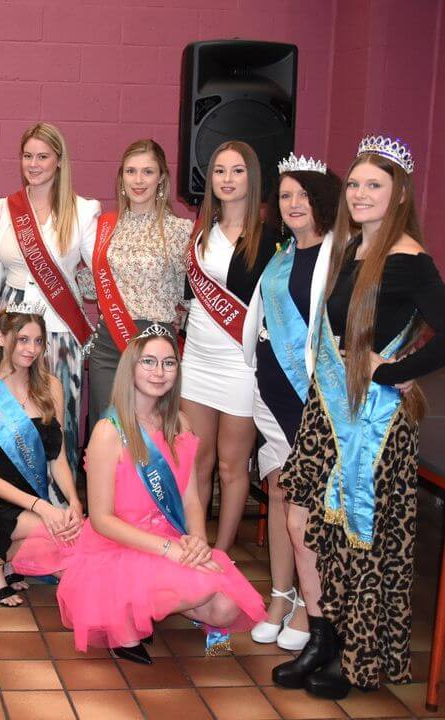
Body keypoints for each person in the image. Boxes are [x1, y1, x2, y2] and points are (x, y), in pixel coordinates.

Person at [274, 136, 445, 698]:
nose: (361, 193)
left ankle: (355, 657)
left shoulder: (410, 259)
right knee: (302, 523)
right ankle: (323, 636)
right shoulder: (351, 251)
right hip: (327, 413)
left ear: (398, 195)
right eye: (354, 184)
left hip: (372, 422)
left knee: (353, 537)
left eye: (375, 185)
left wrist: (391, 372)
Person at [58, 325, 264, 664]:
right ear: (131, 368)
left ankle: (167, 605)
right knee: (127, 626)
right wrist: (168, 550)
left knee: (226, 608)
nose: (159, 372)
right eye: (149, 362)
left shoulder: (180, 424)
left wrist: (197, 540)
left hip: (168, 535)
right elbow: (102, 519)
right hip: (120, 545)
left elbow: (190, 499)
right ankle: (132, 611)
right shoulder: (108, 432)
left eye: (169, 363)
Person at [242, 154, 340, 651]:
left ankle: (309, 602)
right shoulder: (281, 255)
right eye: (285, 196)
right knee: (279, 497)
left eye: (303, 195)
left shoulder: (340, 256)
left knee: (312, 509)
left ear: (322, 201)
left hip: (313, 403)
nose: (294, 204)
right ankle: (280, 596)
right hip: (272, 396)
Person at [182, 141, 278, 551]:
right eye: (219, 171)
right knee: (197, 462)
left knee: (230, 465)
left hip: (241, 363)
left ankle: (221, 552)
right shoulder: (201, 233)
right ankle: (197, 542)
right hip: (198, 359)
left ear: (251, 178)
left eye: (237, 171)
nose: (227, 179)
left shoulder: (271, 239)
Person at [0, 123, 100, 472]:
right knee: (11, 413)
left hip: (59, 327)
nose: (33, 164)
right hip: (11, 324)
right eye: (27, 156)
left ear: (59, 161)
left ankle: (61, 502)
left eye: (43, 156)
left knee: (58, 416)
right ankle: (13, 499)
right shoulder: (4, 209)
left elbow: (99, 272)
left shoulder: (83, 211)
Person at [0, 303, 83, 607]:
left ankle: (5, 556)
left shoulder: (50, 387)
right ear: (0, 338)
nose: (31, 349)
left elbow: (58, 457)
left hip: (28, 496)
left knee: (70, 532)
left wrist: (74, 500)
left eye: (38, 341)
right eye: (22, 339)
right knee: (62, 536)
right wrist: (43, 508)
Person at [87, 140, 192, 434]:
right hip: (109, 343)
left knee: (150, 433)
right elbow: (93, 286)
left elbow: (191, 294)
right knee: (107, 432)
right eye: (131, 171)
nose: (138, 180)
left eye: (147, 172)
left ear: (161, 178)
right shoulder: (105, 226)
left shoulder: (179, 230)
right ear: (121, 177)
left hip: (155, 345)